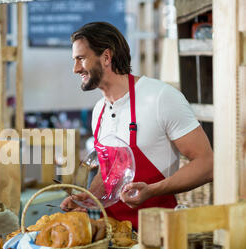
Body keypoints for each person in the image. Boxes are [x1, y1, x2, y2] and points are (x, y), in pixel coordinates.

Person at [60, 22, 213, 230]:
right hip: (113, 237)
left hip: (159, 234)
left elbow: (206, 164)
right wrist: (87, 199)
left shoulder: (161, 97)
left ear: (106, 57)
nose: (75, 69)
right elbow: (109, 173)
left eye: (81, 58)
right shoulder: (99, 111)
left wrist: (152, 190)